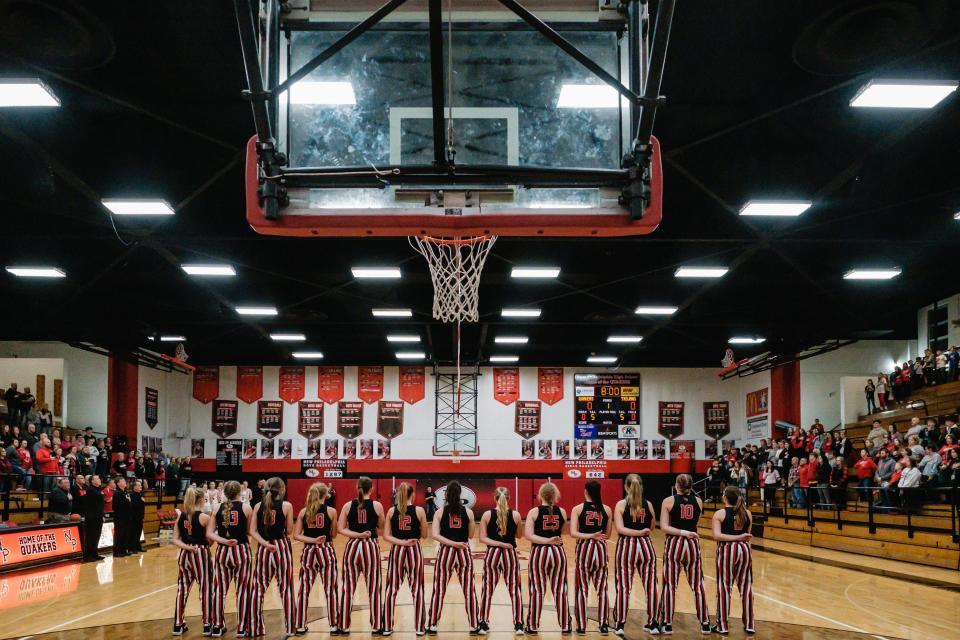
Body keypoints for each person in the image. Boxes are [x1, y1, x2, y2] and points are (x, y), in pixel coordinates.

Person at [658, 474, 710, 634]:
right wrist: (687, 532)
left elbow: (665, 527)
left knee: (670, 585)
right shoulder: (699, 501)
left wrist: (682, 532)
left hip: (675, 542)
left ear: (677, 485)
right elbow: (693, 522)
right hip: (693, 543)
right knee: (698, 585)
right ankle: (705, 623)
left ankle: (667, 623)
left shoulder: (668, 501)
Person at [428, 481, 479, 634]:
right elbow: (470, 535)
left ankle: (432, 624)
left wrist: (451, 543)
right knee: (469, 590)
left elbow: (435, 535)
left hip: (446, 552)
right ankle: (474, 625)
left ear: (446, 494)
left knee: (439, 590)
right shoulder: (468, 512)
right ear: (460, 495)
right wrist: (458, 543)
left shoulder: (439, 512)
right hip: (463, 551)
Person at [249, 477, 297, 638]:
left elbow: (253, 531)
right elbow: (290, 530)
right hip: (281, 547)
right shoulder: (286, 505)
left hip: (264, 548)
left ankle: (255, 628)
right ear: (282, 489)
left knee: (258, 589)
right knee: (286, 589)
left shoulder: (257, 506)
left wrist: (265, 543)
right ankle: (291, 627)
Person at [338, 476, 385, 634]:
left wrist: (357, 535)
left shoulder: (347, 505)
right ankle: (377, 625)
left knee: (347, 588)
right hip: (370, 546)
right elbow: (381, 526)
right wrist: (365, 533)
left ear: (357, 488)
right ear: (371, 489)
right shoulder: (377, 505)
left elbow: (341, 529)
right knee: (374, 587)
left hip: (352, 546)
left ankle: (343, 625)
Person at [612, 474, 658, 636]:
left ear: (626, 486)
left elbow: (620, 529)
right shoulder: (649, 504)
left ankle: (619, 625)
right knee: (651, 586)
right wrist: (642, 531)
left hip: (627, 545)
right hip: (646, 546)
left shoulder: (621, 504)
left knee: (624, 587)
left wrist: (635, 533)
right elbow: (652, 527)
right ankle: (653, 624)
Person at [208, 480, 254, 638]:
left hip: (222, 551)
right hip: (241, 550)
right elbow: (249, 532)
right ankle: (242, 627)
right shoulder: (247, 507)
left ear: (225, 493)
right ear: (239, 492)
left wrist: (224, 541)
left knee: (219, 590)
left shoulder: (217, 507)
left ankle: (217, 626)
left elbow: (210, 533)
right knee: (242, 589)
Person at [524, 482, 571, 634]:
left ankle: (532, 626)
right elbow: (562, 532)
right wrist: (552, 539)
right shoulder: (562, 511)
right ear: (555, 495)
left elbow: (529, 535)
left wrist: (546, 540)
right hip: (558, 552)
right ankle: (566, 625)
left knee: (537, 590)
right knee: (560, 590)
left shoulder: (533, 512)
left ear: (540, 495)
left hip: (539, 552)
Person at [383, 482, 428, 636]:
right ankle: (420, 628)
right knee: (417, 589)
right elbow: (424, 535)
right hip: (414, 550)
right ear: (412, 495)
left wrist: (401, 542)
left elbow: (386, 536)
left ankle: (387, 627)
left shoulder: (391, 510)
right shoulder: (419, 510)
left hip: (397, 550)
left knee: (391, 589)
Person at [294, 482, 339, 636]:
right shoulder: (332, 511)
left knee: (304, 589)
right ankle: (334, 625)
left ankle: (300, 625)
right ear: (325, 495)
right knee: (330, 589)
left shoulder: (303, 511)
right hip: (325, 550)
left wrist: (312, 540)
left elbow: (296, 535)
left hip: (308, 551)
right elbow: (333, 534)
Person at [478, 486, 524, 635]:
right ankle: (518, 625)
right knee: (514, 590)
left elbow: (482, 538)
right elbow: (519, 536)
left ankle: (483, 624)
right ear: (509, 498)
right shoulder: (516, 515)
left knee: (487, 589)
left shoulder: (487, 514)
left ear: (494, 498)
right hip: (510, 554)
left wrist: (498, 543)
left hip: (492, 554)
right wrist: (504, 542)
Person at [711, 486, 755, 635]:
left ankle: (722, 625)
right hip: (745, 549)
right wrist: (740, 538)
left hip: (727, 549)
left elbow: (717, 536)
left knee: (724, 586)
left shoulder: (720, 513)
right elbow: (747, 535)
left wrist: (736, 538)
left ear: (725, 497)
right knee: (746, 586)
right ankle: (750, 624)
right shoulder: (747, 512)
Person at [569, 480, 611, 634]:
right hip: (600, 549)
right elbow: (608, 535)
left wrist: (589, 535)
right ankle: (604, 624)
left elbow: (573, 533)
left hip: (585, 548)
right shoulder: (607, 509)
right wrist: (596, 535)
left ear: (585, 491)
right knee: (602, 589)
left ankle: (581, 626)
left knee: (582, 589)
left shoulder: (578, 509)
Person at [172, 487, 213, 636]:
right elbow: (209, 541)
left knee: (182, 589)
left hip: (184, 553)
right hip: (200, 552)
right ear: (201, 500)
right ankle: (207, 624)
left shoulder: (181, 516)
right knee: (206, 588)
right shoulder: (205, 517)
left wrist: (187, 548)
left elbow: (175, 540)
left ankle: (178, 624)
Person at [83, 475, 105, 563]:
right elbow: (99, 498)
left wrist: (102, 515)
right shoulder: (90, 489)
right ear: (92, 481)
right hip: (92, 517)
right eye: (98, 479)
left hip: (98, 516)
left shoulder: (97, 490)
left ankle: (94, 554)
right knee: (91, 537)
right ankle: (88, 556)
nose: (100, 480)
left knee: (96, 536)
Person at [113, 476, 131, 557]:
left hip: (126, 516)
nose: (125, 482)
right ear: (118, 483)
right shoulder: (117, 493)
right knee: (119, 534)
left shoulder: (125, 492)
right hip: (120, 517)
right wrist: (127, 501)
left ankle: (124, 550)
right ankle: (117, 551)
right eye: (123, 481)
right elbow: (118, 505)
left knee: (125, 533)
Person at [129, 479, 145, 553]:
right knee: (133, 533)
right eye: (139, 485)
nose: (141, 486)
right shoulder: (132, 495)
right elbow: (134, 506)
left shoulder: (140, 495)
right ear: (134, 487)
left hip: (140, 517)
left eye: (141, 485)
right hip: (134, 518)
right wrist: (141, 500)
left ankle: (138, 546)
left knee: (139, 533)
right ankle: (132, 548)